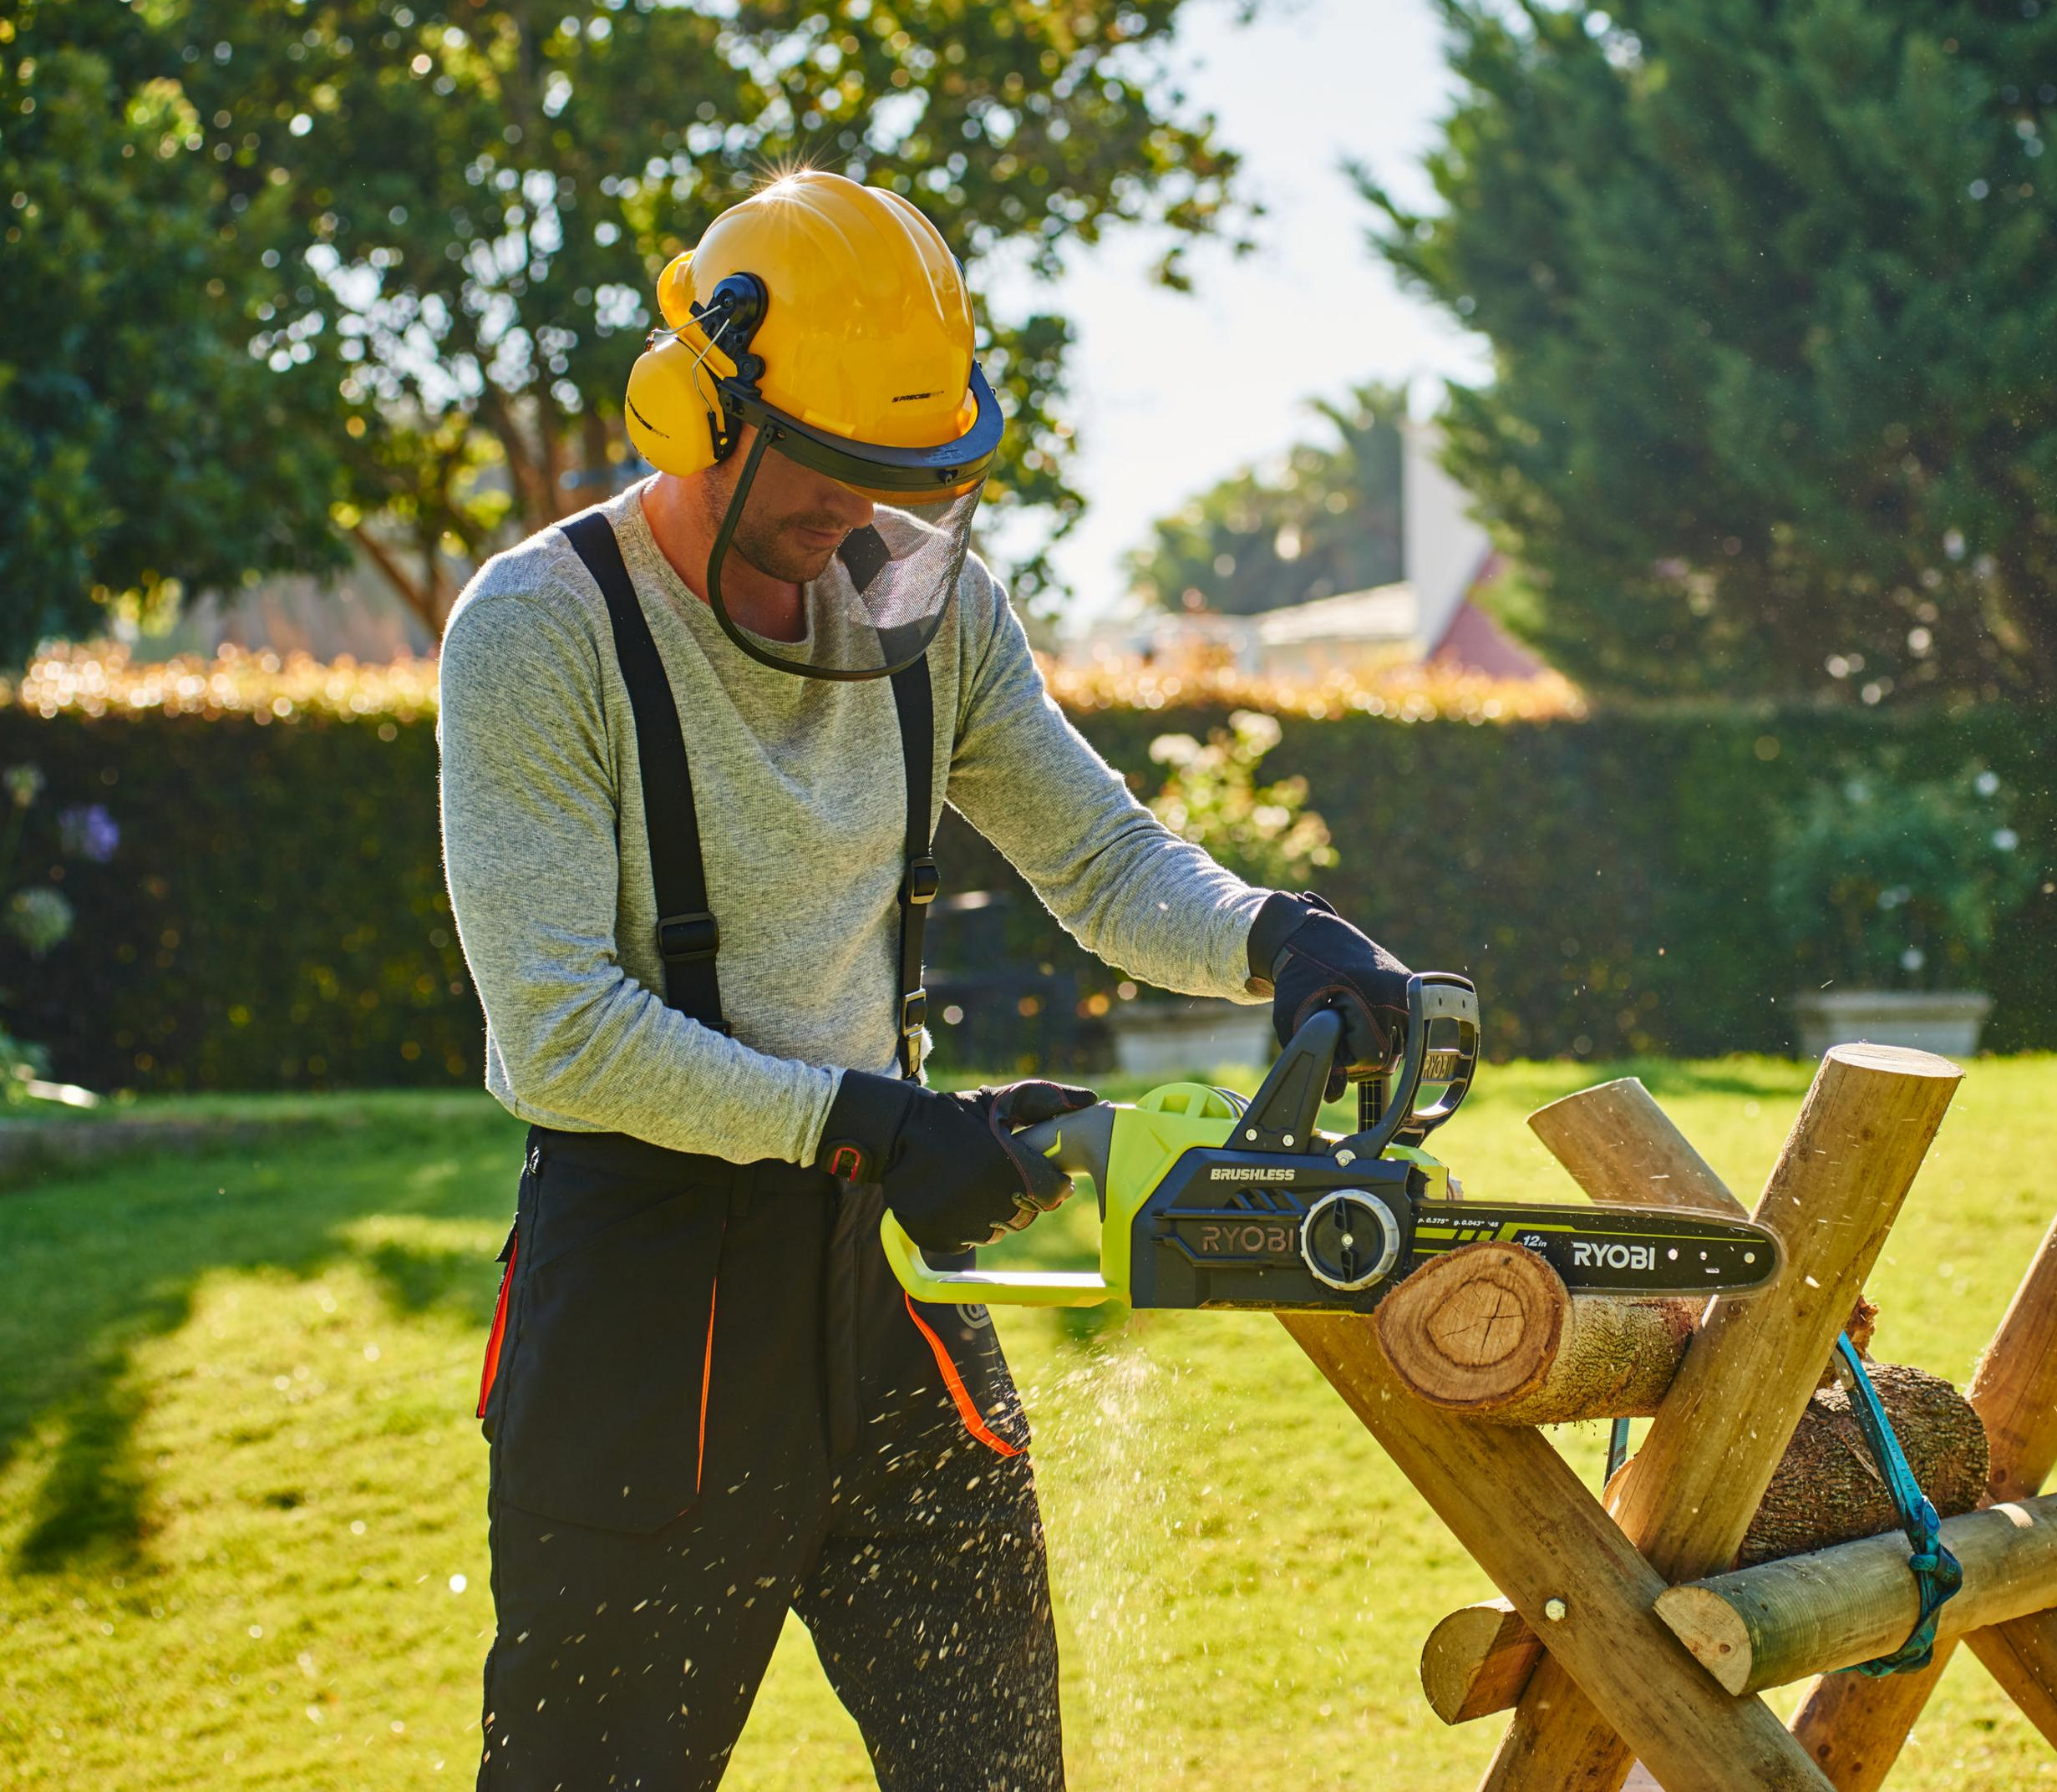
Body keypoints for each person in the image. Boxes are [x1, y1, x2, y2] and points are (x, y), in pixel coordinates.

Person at [437, 169, 1414, 1792]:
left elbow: (1100, 859)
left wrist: (1276, 933)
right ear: (700, 409)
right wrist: (870, 1118)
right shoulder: (546, 630)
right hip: (648, 1296)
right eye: (829, 470)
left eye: (901, 479)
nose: (857, 518)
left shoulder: (922, 604)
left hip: (887, 1266)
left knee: (991, 1763)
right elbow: (559, 1034)